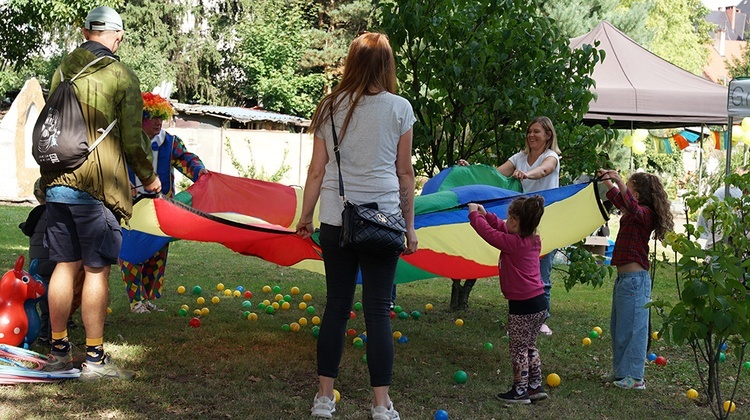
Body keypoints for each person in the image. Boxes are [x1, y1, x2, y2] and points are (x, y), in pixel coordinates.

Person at [295, 32, 417, 420]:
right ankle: (381, 405)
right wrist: (409, 228)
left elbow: (316, 170)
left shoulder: (330, 106)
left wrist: (305, 216)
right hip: (382, 222)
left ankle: (324, 399)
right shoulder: (400, 108)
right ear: (387, 65)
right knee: (379, 311)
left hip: (336, 219)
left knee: (336, 308)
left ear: (352, 62)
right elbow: (405, 174)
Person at [40, 6, 161, 381]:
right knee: (96, 269)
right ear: (118, 36)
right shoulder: (120, 74)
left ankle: (58, 349)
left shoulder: (62, 67)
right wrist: (150, 178)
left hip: (57, 183)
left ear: (85, 31)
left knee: (63, 264)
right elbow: (132, 139)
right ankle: (94, 358)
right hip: (96, 188)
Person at [458, 116, 560, 335]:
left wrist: (527, 174)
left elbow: (544, 171)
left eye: (537, 131)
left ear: (548, 135)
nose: (531, 135)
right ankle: (523, 317)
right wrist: (469, 172)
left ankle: (541, 318)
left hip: (542, 222)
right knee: (520, 269)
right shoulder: (519, 157)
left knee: (542, 270)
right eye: (529, 131)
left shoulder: (551, 157)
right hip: (520, 222)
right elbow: (494, 175)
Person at [118, 92, 207, 314]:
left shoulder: (170, 143)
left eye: (161, 117)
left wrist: (200, 172)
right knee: (130, 252)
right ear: (139, 118)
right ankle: (135, 301)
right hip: (131, 207)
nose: (158, 122)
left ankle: (147, 299)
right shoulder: (124, 142)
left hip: (160, 208)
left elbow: (187, 159)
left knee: (156, 252)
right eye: (152, 116)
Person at [467, 196, 548, 404]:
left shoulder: (513, 243)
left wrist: (474, 215)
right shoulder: (532, 240)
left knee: (518, 348)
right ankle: (534, 386)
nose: (506, 221)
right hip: (539, 303)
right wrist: (487, 215)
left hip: (523, 305)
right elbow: (501, 228)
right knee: (530, 345)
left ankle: (519, 391)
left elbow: (491, 234)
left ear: (515, 221)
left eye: (509, 218)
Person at [597, 169, 673, 390]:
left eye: (628, 187)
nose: (625, 192)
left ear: (637, 194)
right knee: (619, 327)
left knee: (634, 330)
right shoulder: (632, 209)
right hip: (625, 280)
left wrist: (618, 180)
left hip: (635, 280)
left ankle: (635, 377)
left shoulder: (645, 214)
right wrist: (610, 183)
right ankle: (622, 373)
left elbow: (629, 204)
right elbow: (621, 200)